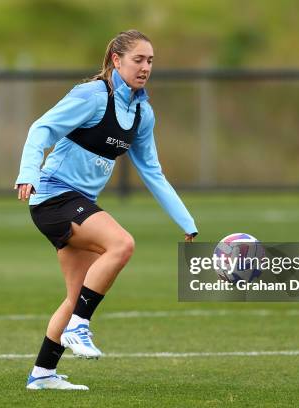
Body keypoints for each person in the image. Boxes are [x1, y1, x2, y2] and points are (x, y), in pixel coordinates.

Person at [15, 30, 198, 391]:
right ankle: (79, 326)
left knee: (74, 295)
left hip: (77, 202)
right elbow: (42, 129)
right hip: (53, 196)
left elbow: (152, 172)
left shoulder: (143, 113)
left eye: (150, 61)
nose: (145, 67)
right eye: (138, 60)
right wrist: (27, 173)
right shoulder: (92, 96)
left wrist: (186, 220)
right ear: (116, 60)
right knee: (121, 244)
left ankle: (43, 374)